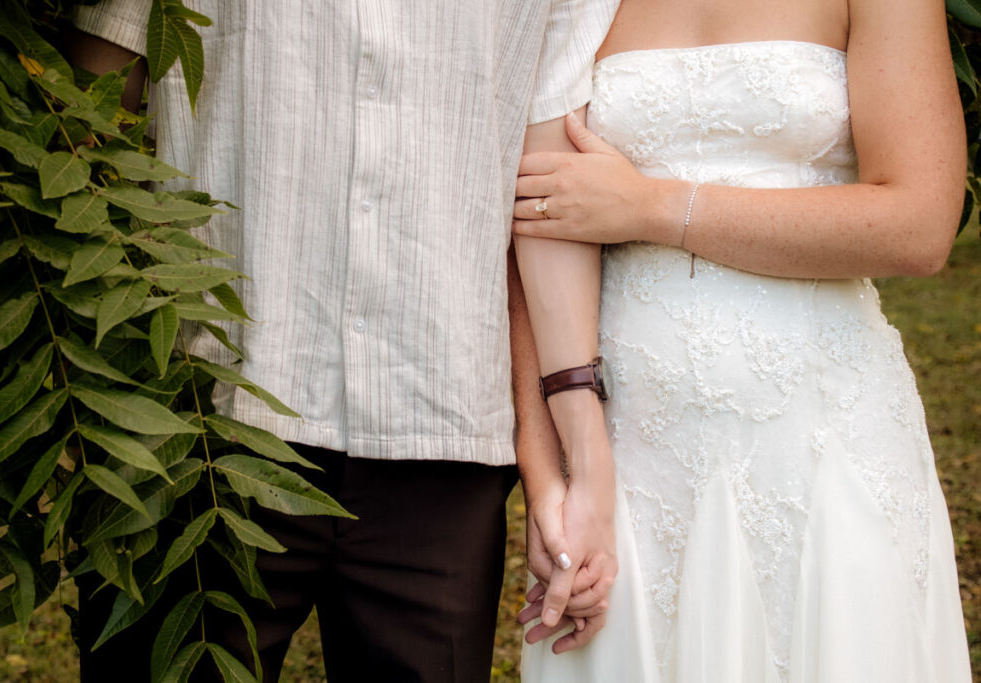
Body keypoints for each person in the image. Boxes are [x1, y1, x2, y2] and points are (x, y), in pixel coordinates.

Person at [66, 1, 617, 681]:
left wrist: (561, 463)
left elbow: (546, 192)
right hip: (207, 413)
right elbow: (86, 109)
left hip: (438, 428)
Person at [511, 0, 974, 680]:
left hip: (821, 436)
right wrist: (547, 467)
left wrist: (654, 206)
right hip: (627, 449)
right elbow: (534, 217)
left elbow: (919, 223)